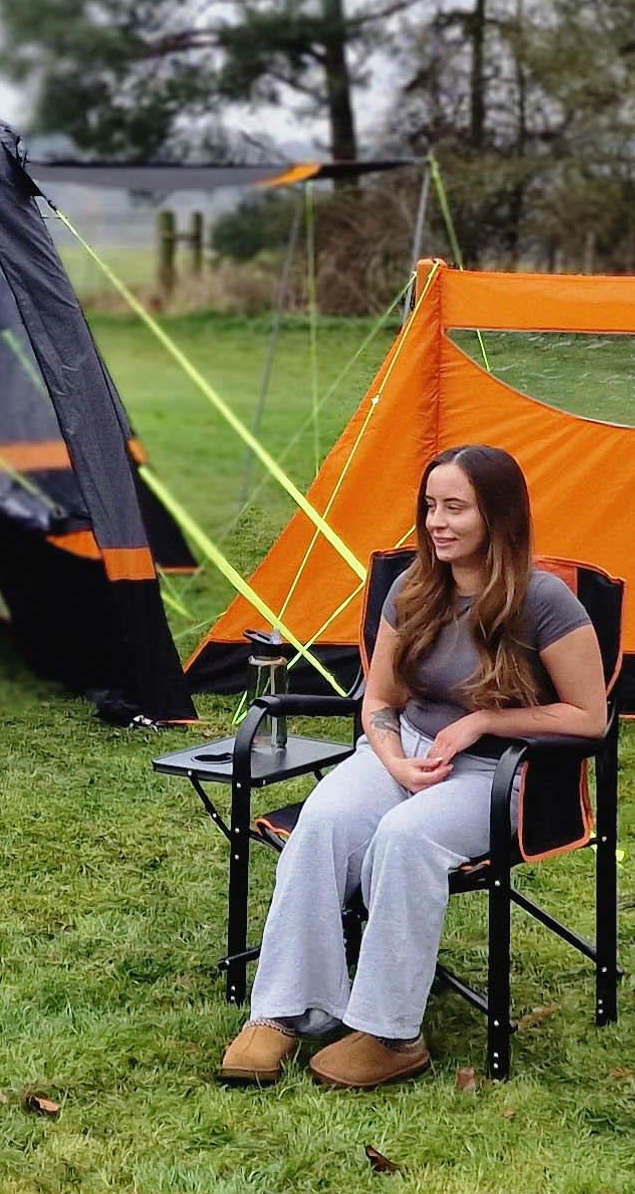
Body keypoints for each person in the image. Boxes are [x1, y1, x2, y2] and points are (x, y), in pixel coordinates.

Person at [221, 442, 609, 1091]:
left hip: (497, 773)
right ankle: (285, 1011)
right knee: (324, 822)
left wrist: (485, 720)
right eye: (431, 506)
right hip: (404, 751)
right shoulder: (415, 587)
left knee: (405, 839)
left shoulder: (544, 602)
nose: (436, 522)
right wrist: (395, 759)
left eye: (455, 507)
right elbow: (380, 698)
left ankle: (390, 1033)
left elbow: (589, 716)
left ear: (498, 516)